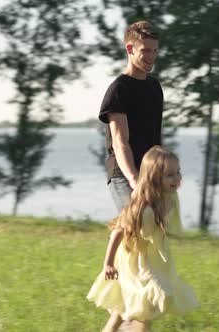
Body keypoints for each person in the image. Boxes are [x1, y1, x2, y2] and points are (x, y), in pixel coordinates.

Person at [87, 146, 199, 332]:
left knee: (123, 310)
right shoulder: (141, 205)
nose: (177, 178)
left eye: (178, 172)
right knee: (150, 300)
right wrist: (108, 264)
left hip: (155, 258)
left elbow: (164, 227)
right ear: (154, 177)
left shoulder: (170, 197)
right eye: (170, 175)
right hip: (136, 260)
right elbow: (117, 232)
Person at [98, 21, 164, 212]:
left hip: (149, 172)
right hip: (124, 174)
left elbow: (156, 136)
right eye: (146, 50)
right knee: (138, 221)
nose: (151, 56)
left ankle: (117, 238)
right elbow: (120, 142)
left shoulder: (154, 87)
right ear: (130, 48)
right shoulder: (119, 89)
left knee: (153, 228)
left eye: (155, 51)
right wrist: (133, 179)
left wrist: (165, 169)